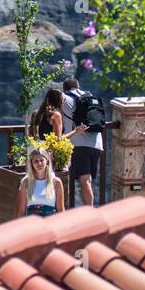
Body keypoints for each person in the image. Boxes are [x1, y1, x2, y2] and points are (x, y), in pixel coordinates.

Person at [61, 76, 103, 207]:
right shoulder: (90, 96)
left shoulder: (64, 98)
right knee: (88, 179)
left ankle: (89, 211)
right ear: (78, 86)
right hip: (97, 143)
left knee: (84, 180)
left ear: (65, 88)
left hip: (79, 144)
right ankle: (88, 208)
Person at [15, 145, 66, 219]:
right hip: (32, 225)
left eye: (42, 160)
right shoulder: (26, 182)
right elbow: (22, 210)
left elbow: (61, 209)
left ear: (47, 161)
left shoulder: (56, 182)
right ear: (31, 164)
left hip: (50, 223)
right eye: (36, 161)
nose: (39, 164)